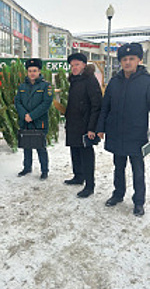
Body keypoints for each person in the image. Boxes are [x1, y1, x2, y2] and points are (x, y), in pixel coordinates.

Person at [97, 43, 150, 216]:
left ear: (139, 60)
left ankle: (139, 202)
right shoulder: (114, 81)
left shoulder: (147, 82)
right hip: (116, 132)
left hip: (137, 135)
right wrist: (101, 127)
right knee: (118, 167)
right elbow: (105, 107)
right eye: (124, 59)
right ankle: (118, 194)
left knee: (138, 170)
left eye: (131, 59)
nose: (127, 62)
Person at [64, 53, 102, 197]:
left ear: (84, 65)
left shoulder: (90, 80)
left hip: (86, 126)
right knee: (74, 151)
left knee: (86, 155)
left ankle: (89, 185)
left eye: (77, 65)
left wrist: (92, 127)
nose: (74, 68)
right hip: (73, 123)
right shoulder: (74, 80)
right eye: (72, 65)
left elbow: (96, 105)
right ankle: (78, 176)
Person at [15, 58, 53, 180]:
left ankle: (44, 170)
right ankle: (27, 168)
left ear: (39, 71)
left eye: (34, 71)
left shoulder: (46, 86)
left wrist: (32, 115)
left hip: (39, 122)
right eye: (30, 70)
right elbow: (17, 102)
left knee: (40, 147)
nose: (32, 73)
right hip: (25, 121)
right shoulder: (22, 86)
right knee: (26, 146)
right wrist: (24, 115)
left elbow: (46, 104)